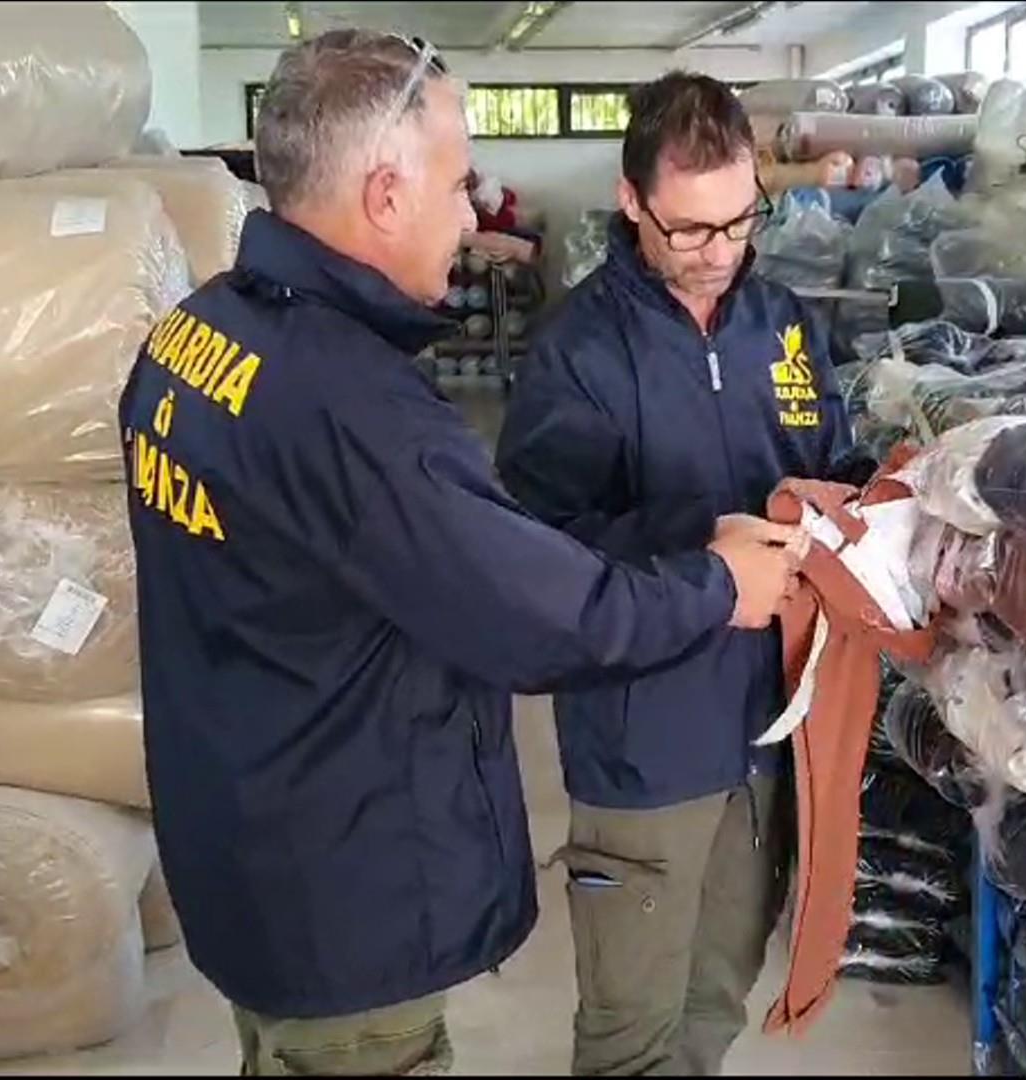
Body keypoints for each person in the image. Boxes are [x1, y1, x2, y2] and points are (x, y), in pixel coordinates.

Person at [116, 32, 803, 1077]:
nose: (474, 213)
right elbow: (535, 612)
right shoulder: (353, 408)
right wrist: (717, 586)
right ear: (386, 194)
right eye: (457, 184)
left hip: (252, 843)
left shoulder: (198, 336)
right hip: (344, 887)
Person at [496, 72, 851, 1076]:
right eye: (690, 228)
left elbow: (834, 458)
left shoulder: (785, 324)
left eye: (740, 221)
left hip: (768, 736)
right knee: (631, 1034)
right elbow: (537, 546)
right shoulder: (577, 350)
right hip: (643, 742)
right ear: (631, 201)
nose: (719, 251)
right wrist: (705, 546)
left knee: (715, 1001)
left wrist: (864, 505)